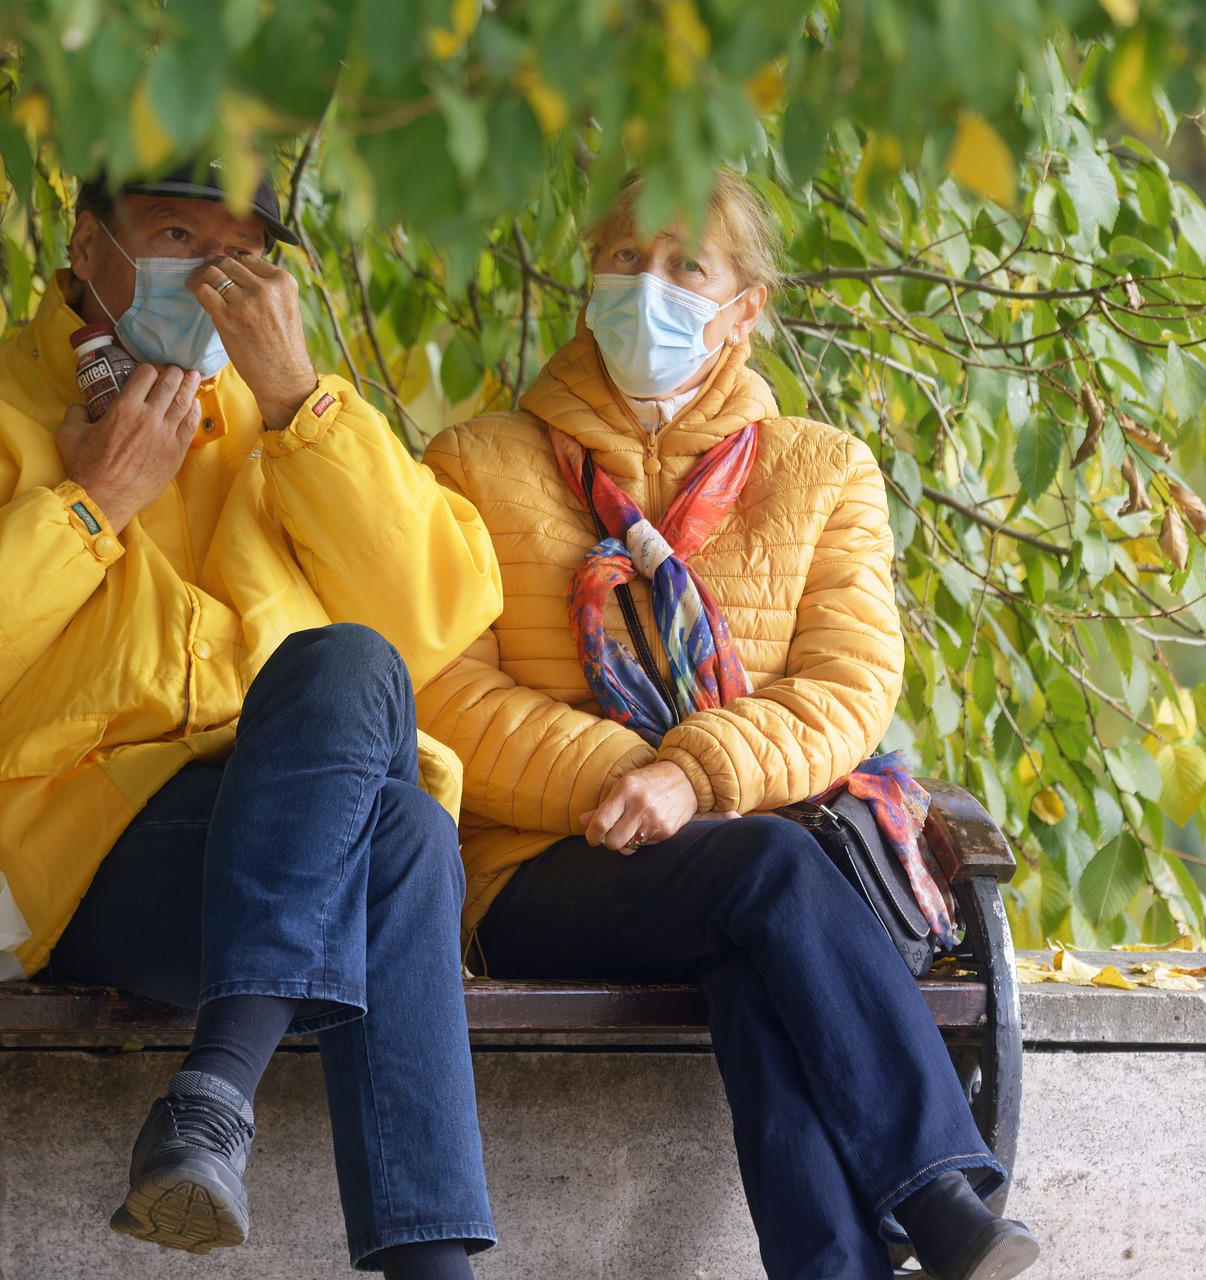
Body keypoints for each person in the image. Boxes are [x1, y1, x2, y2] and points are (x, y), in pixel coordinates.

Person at [0, 162, 502, 1279]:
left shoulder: (284, 419)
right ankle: (246, 1118)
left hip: (272, 833)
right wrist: (89, 507)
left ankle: (213, 1101)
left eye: (237, 251)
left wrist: (299, 407)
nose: (209, 273)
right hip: (54, 858)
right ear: (88, 247)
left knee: (364, 696)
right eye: (176, 233)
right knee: (400, 838)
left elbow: (436, 616)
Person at [416, 170, 1041, 1280]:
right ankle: (939, 1190)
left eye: (682, 267)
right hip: (543, 871)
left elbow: (849, 690)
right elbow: (441, 691)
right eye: (622, 260)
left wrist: (699, 777)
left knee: (759, 946)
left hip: (752, 879)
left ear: (743, 307)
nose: (644, 287)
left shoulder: (823, 472)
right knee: (767, 864)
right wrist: (633, 776)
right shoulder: (475, 464)